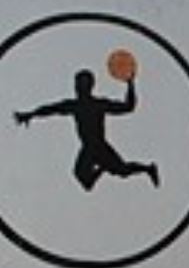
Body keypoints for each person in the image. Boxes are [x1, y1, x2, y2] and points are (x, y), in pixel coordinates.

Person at [14, 68, 160, 190]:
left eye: (82, 84)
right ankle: (110, 167)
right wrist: (30, 114)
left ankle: (147, 168)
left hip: (98, 146)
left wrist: (130, 84)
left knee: (121, 171)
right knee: (86, 179)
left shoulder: (97, 104)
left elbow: (128, 107)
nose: (78, 87)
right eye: (77, 84)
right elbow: (50, 109)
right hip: (89, 147)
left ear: (89, 86)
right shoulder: (74, 105)